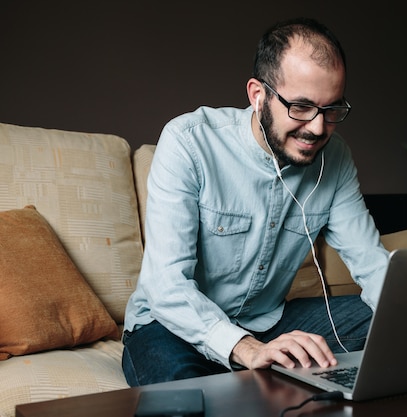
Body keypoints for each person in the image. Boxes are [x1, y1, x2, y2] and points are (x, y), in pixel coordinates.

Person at [122, 17, 390, 386]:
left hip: (271, 323)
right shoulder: (188, 142)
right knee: (181, 397)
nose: (316, 127)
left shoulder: (336, 157)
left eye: (331, 110)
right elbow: (166, 285)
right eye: (300, 107)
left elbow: (374, 267)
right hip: (171, 326)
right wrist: (245, 348)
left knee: (397, 321)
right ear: (257, 95)